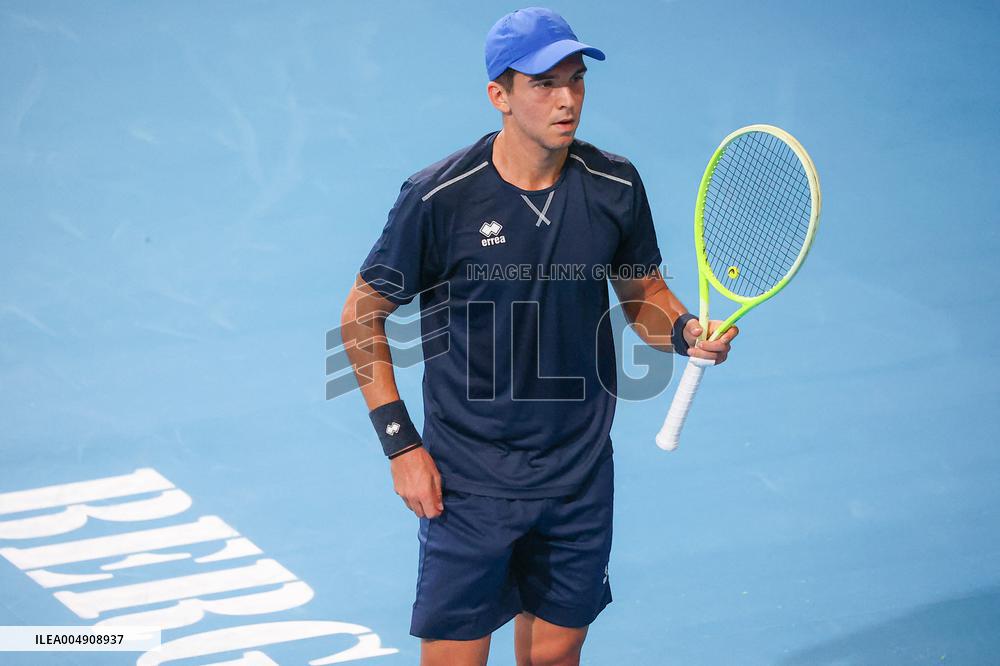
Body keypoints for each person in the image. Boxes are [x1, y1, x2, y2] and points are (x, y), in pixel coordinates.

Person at [339, 7, 737, 665]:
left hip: (577, 469)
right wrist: (400, 445)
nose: (567, 99)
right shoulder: (439, 199)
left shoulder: (614, 184)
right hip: (469, 477)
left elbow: (643, 296)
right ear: (499, 95)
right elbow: (360, 314)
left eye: (576, 80)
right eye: (544, 84)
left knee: (554, 657)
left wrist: (686, 331)